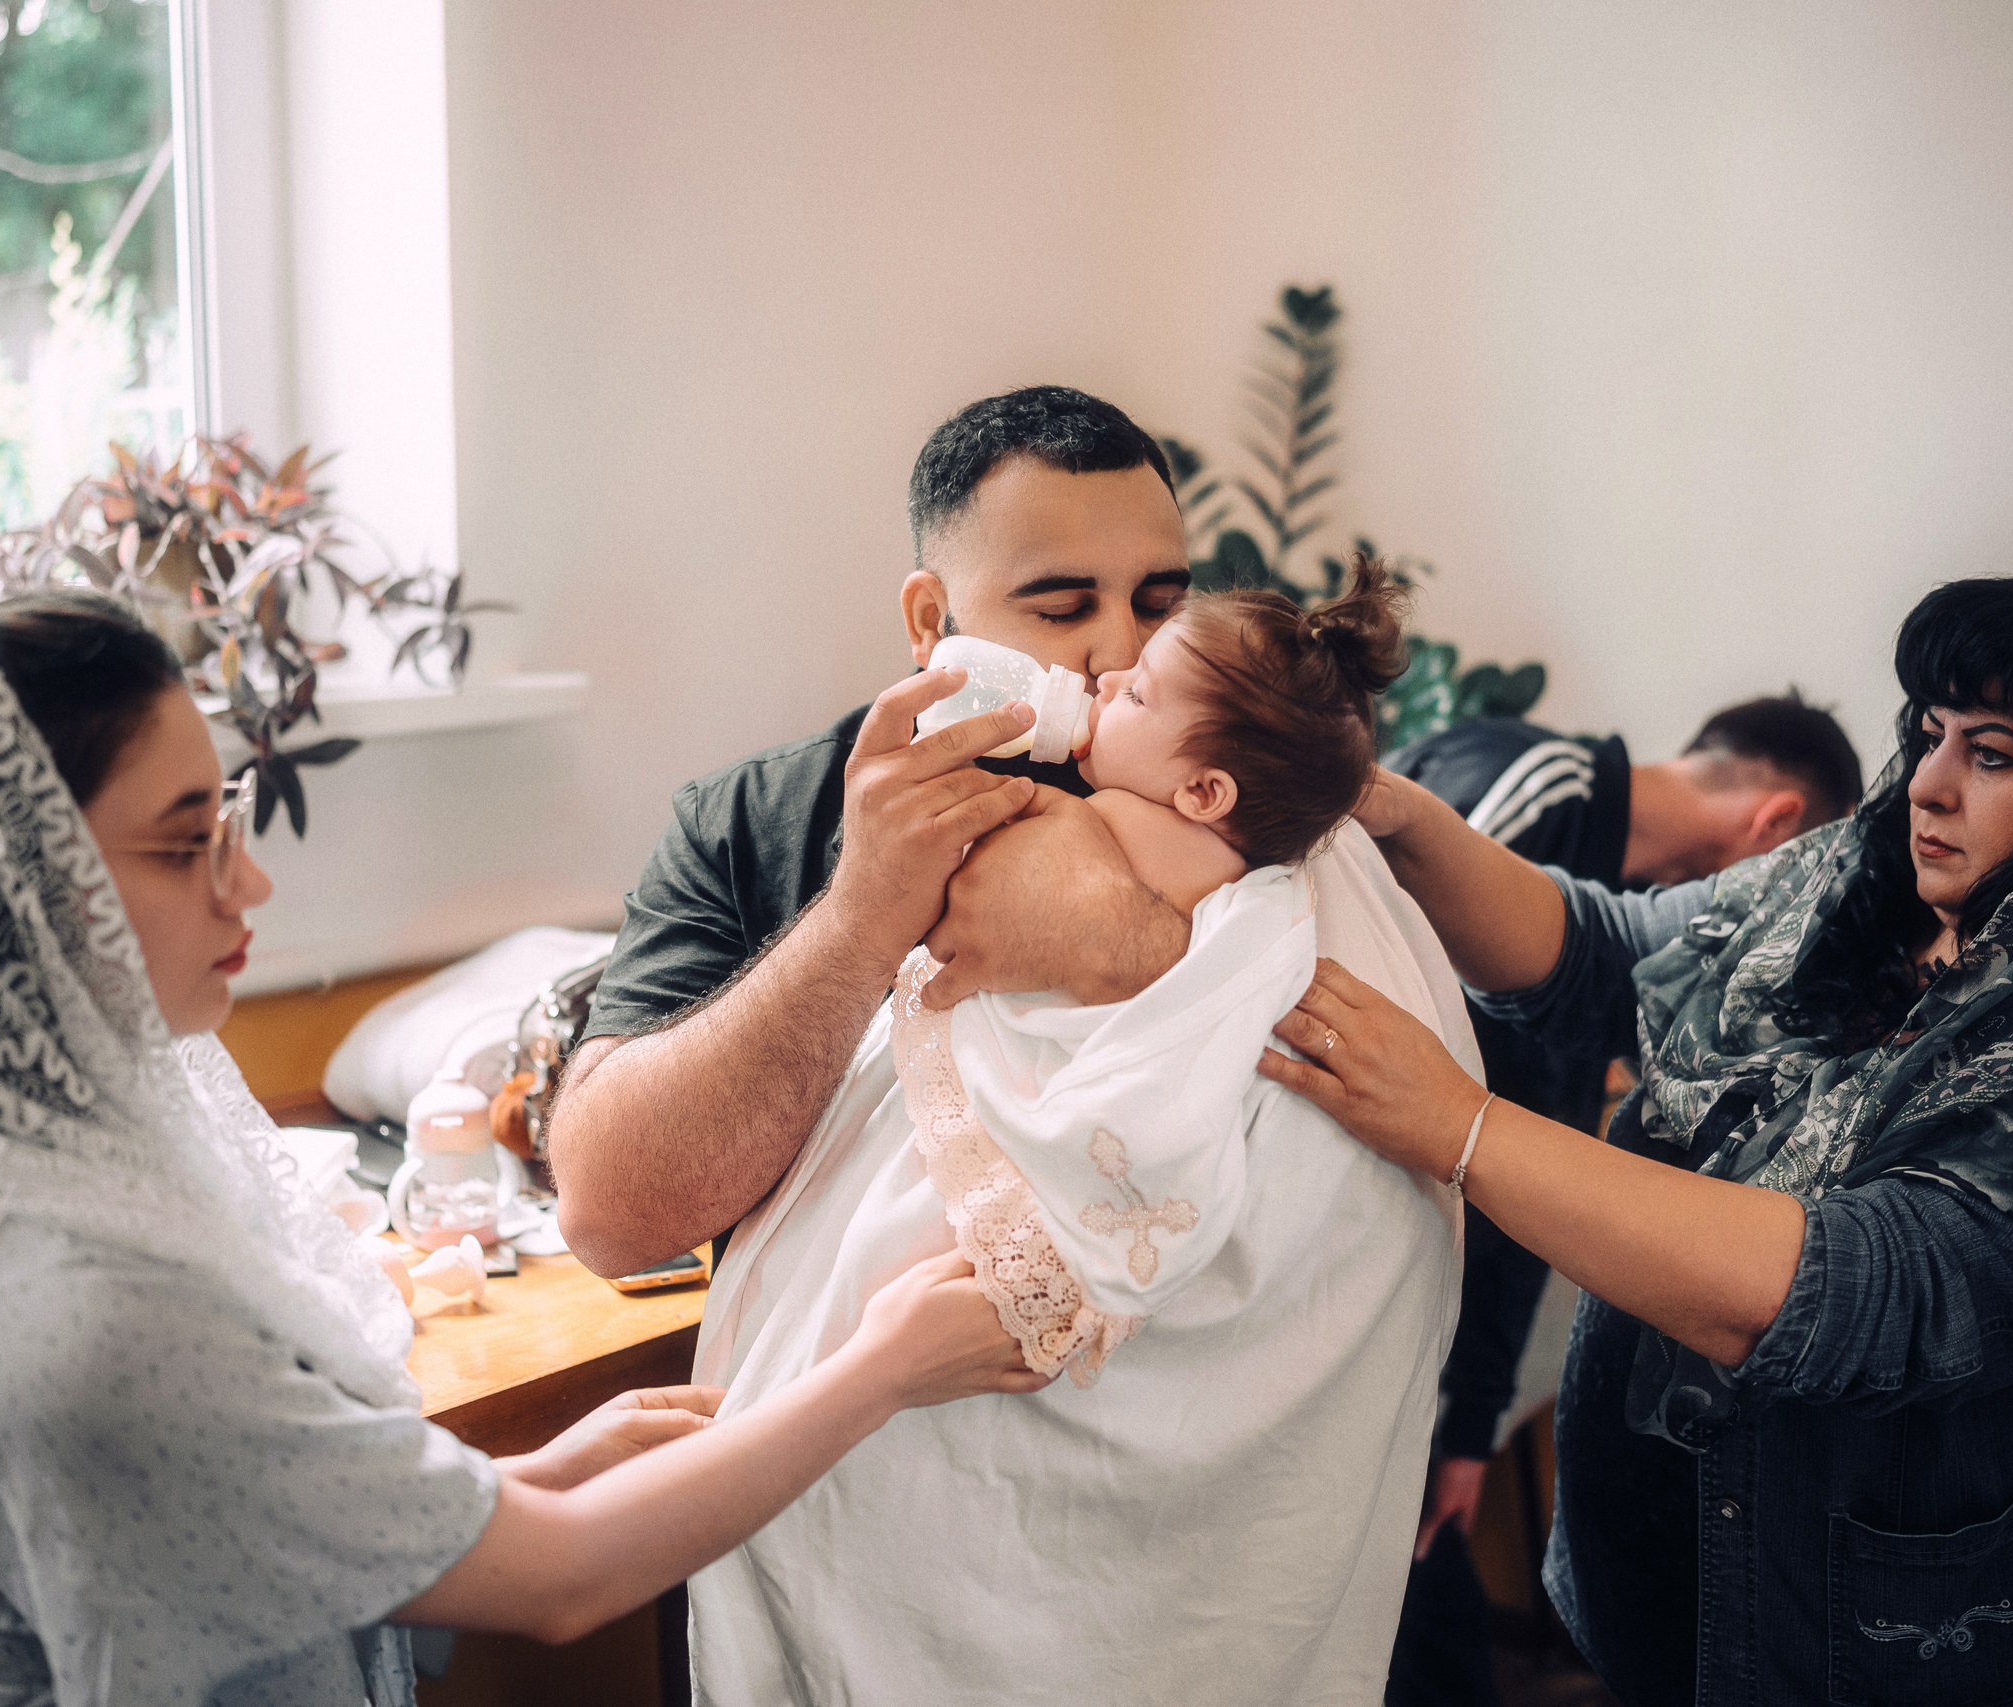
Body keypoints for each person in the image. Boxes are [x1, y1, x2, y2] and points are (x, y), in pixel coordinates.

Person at [0, 591, 1046, 1707]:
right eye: (186, 842)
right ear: (19, 888)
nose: (248, 888)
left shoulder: (21, 1179)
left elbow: (257, 1507)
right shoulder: (82, 1308)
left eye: (229, 819)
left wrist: (537, 1472)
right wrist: (878, 1368)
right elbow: (559, 1585)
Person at [1257, 572, 2013, 1704]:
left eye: (1993, 756)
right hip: (1711, 1626)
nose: (1929, 787)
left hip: (1973, 1661)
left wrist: (1462, 1129)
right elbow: (1609, 955)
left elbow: (1846, 1295)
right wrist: (1400, 821)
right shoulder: (1845, 889)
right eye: (1931, 733)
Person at [688, 562, 1469, 1702]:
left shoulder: (1120, 828)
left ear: (1203, 792)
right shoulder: (1253, 860)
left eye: (1141, 680)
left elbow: (986, 897)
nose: (1101, 674)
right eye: (1066, 619)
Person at [549, 385, 1203, 1278]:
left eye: (1161, 603)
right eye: (1062, 609)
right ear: (932, 622)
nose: (1120, 651)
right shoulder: (749, 824)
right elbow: (609, 1222)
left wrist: (1139, 940)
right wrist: (859, 917)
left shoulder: (1228, 795)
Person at [1381, 693, 1862, 1706]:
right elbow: (1488, 1161)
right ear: (1775, 831)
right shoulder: (1523, 820)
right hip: (1371, 1284)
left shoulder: (1516, 780)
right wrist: (1464, 1425)